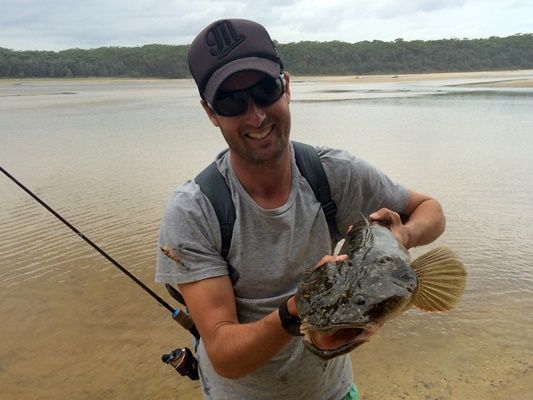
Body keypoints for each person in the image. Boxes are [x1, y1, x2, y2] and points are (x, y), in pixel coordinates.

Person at [156, 18, 446, 400]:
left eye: (265, 90)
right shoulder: (194, 212)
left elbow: (430, 210)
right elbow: (224, 355)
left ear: (286, 87)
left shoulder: (333, 173)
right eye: (231, 101)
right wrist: (297, 312)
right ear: (211, 112)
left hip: (335, 391)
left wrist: (403, 235)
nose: (256, 115)